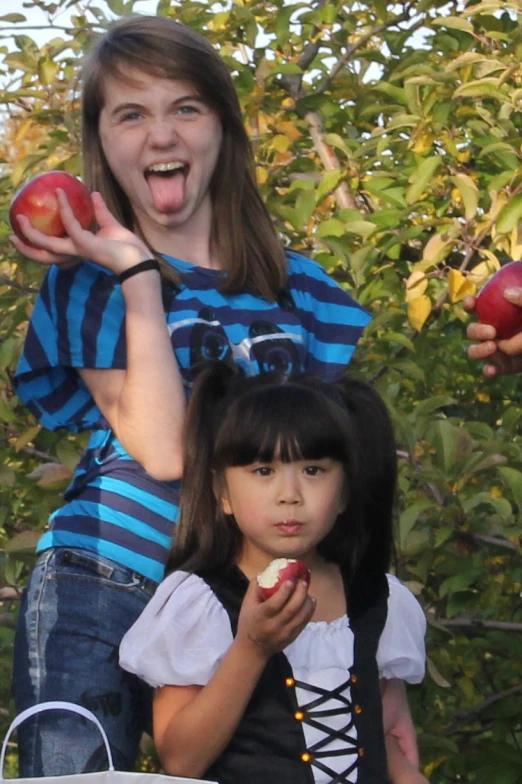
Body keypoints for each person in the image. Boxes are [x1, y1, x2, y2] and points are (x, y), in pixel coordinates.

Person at [9, 13, 392, 778]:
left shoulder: (303, 291)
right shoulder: (89, 282)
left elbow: (324, 461)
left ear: (223, 126)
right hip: (106, 576)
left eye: (185, 107)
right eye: (131, 113)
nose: (162, 136)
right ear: (102, 143)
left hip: (246, 591)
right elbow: (159, 448)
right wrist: (137, 278)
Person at [120, 364, 428, 784]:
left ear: (344, 491)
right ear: (222, 492)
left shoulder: (376, 598)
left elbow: (382, 737)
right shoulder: (201, 602)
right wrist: (251, 647)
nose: (289, 495)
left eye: (313, 470)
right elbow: (179, 760)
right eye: (263, 471)